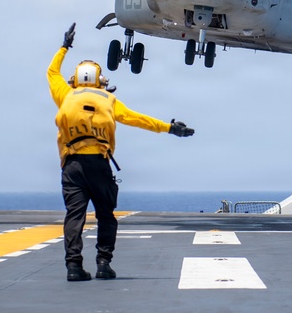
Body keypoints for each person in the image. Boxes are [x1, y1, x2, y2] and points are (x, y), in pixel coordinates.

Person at [48, 24, 195, 282]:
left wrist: (64, 47)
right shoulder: (108, 100)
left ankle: (73, 266)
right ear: (100, 80)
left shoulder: (65, 95)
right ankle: (103, 263)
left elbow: (52, 72)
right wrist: (170, 128)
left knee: (74, 216)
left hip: (72, 166)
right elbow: (137, 119)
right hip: (99, 165)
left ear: (75, 79)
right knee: (106, 215)